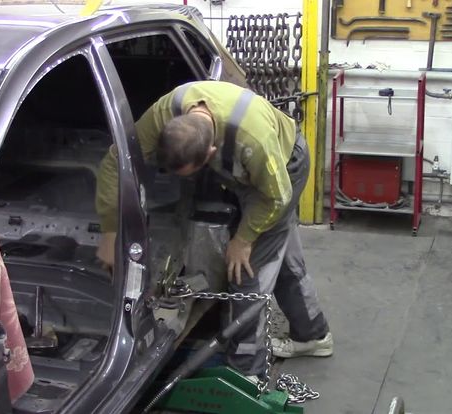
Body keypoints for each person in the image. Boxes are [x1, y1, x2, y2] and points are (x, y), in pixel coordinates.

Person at [95, 80, 332, 376]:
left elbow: (277, 197)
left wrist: (243, 240)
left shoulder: (253, 140)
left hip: (282, 173)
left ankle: (247, 371)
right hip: (248, 174)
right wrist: (110, 232)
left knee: (247, 272)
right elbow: (115, 162)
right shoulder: (162, 114)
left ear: (210, 153)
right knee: (281, 258)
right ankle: (313, 336)